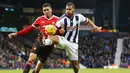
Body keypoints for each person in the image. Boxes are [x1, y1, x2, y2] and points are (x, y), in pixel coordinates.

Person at [41, 2, 102, 73]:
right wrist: (58, 31)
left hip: (73, 44)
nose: (67, 11)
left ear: (73, 9)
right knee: (55, 38)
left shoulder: (78, 17)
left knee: (75, 66)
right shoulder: (62, 19)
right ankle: (44, 42)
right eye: (66, 9)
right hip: (64, 40)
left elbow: (87, 20)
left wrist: (95, 26)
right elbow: (54, 29)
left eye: (69, 9)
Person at [8, 3, 59, 73]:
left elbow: (62, 32)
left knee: (37, 69)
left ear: (51, 10)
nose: (46, 11)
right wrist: (16, 33)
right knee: (31, 59)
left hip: (49, 46)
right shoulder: (40, 19)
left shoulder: (57, 20)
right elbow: (29, 29)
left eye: (48, 10)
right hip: (39, 42)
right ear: (43, 11)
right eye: (44, 10)